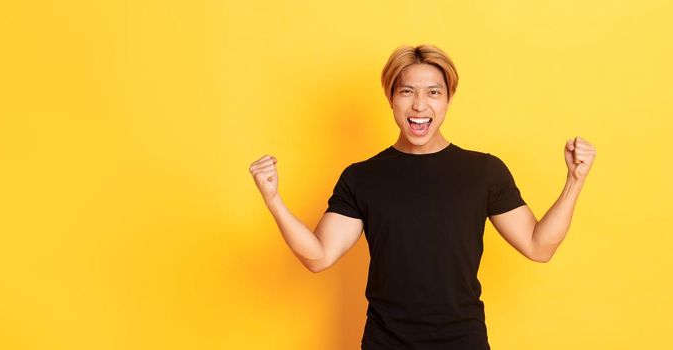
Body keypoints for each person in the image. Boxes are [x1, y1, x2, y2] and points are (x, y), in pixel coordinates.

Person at [248, 44, 595, 349]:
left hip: (463, 342)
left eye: (433, 93)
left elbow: (539, 246)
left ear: (448, 99)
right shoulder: (362, 177)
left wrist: (574, 181)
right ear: (391, 98)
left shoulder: (483, 172)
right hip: (386, 343)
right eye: (406, 92)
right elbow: (318, 257)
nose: (419, 105)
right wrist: (274, 200)